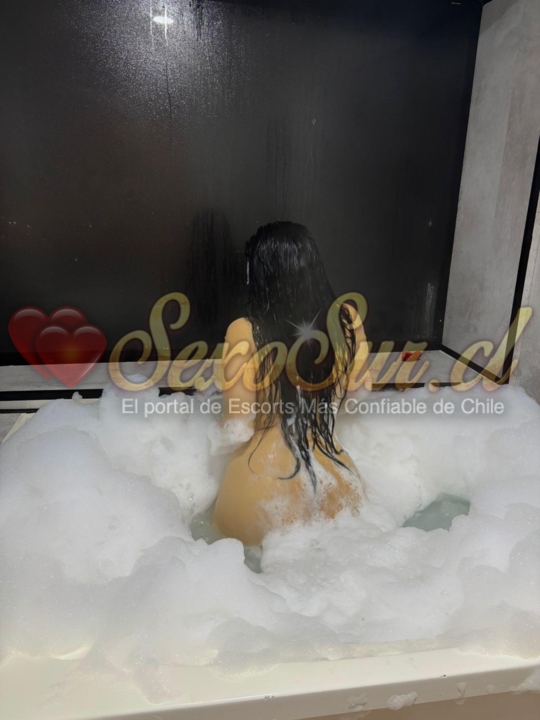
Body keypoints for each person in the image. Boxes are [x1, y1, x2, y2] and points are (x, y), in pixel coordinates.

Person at [212, 222, 366, 546]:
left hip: (261, 494)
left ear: (260, 275)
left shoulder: (244, 331)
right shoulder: (348, 320)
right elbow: (355, 398)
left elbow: (237, 424)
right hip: (339, 490)